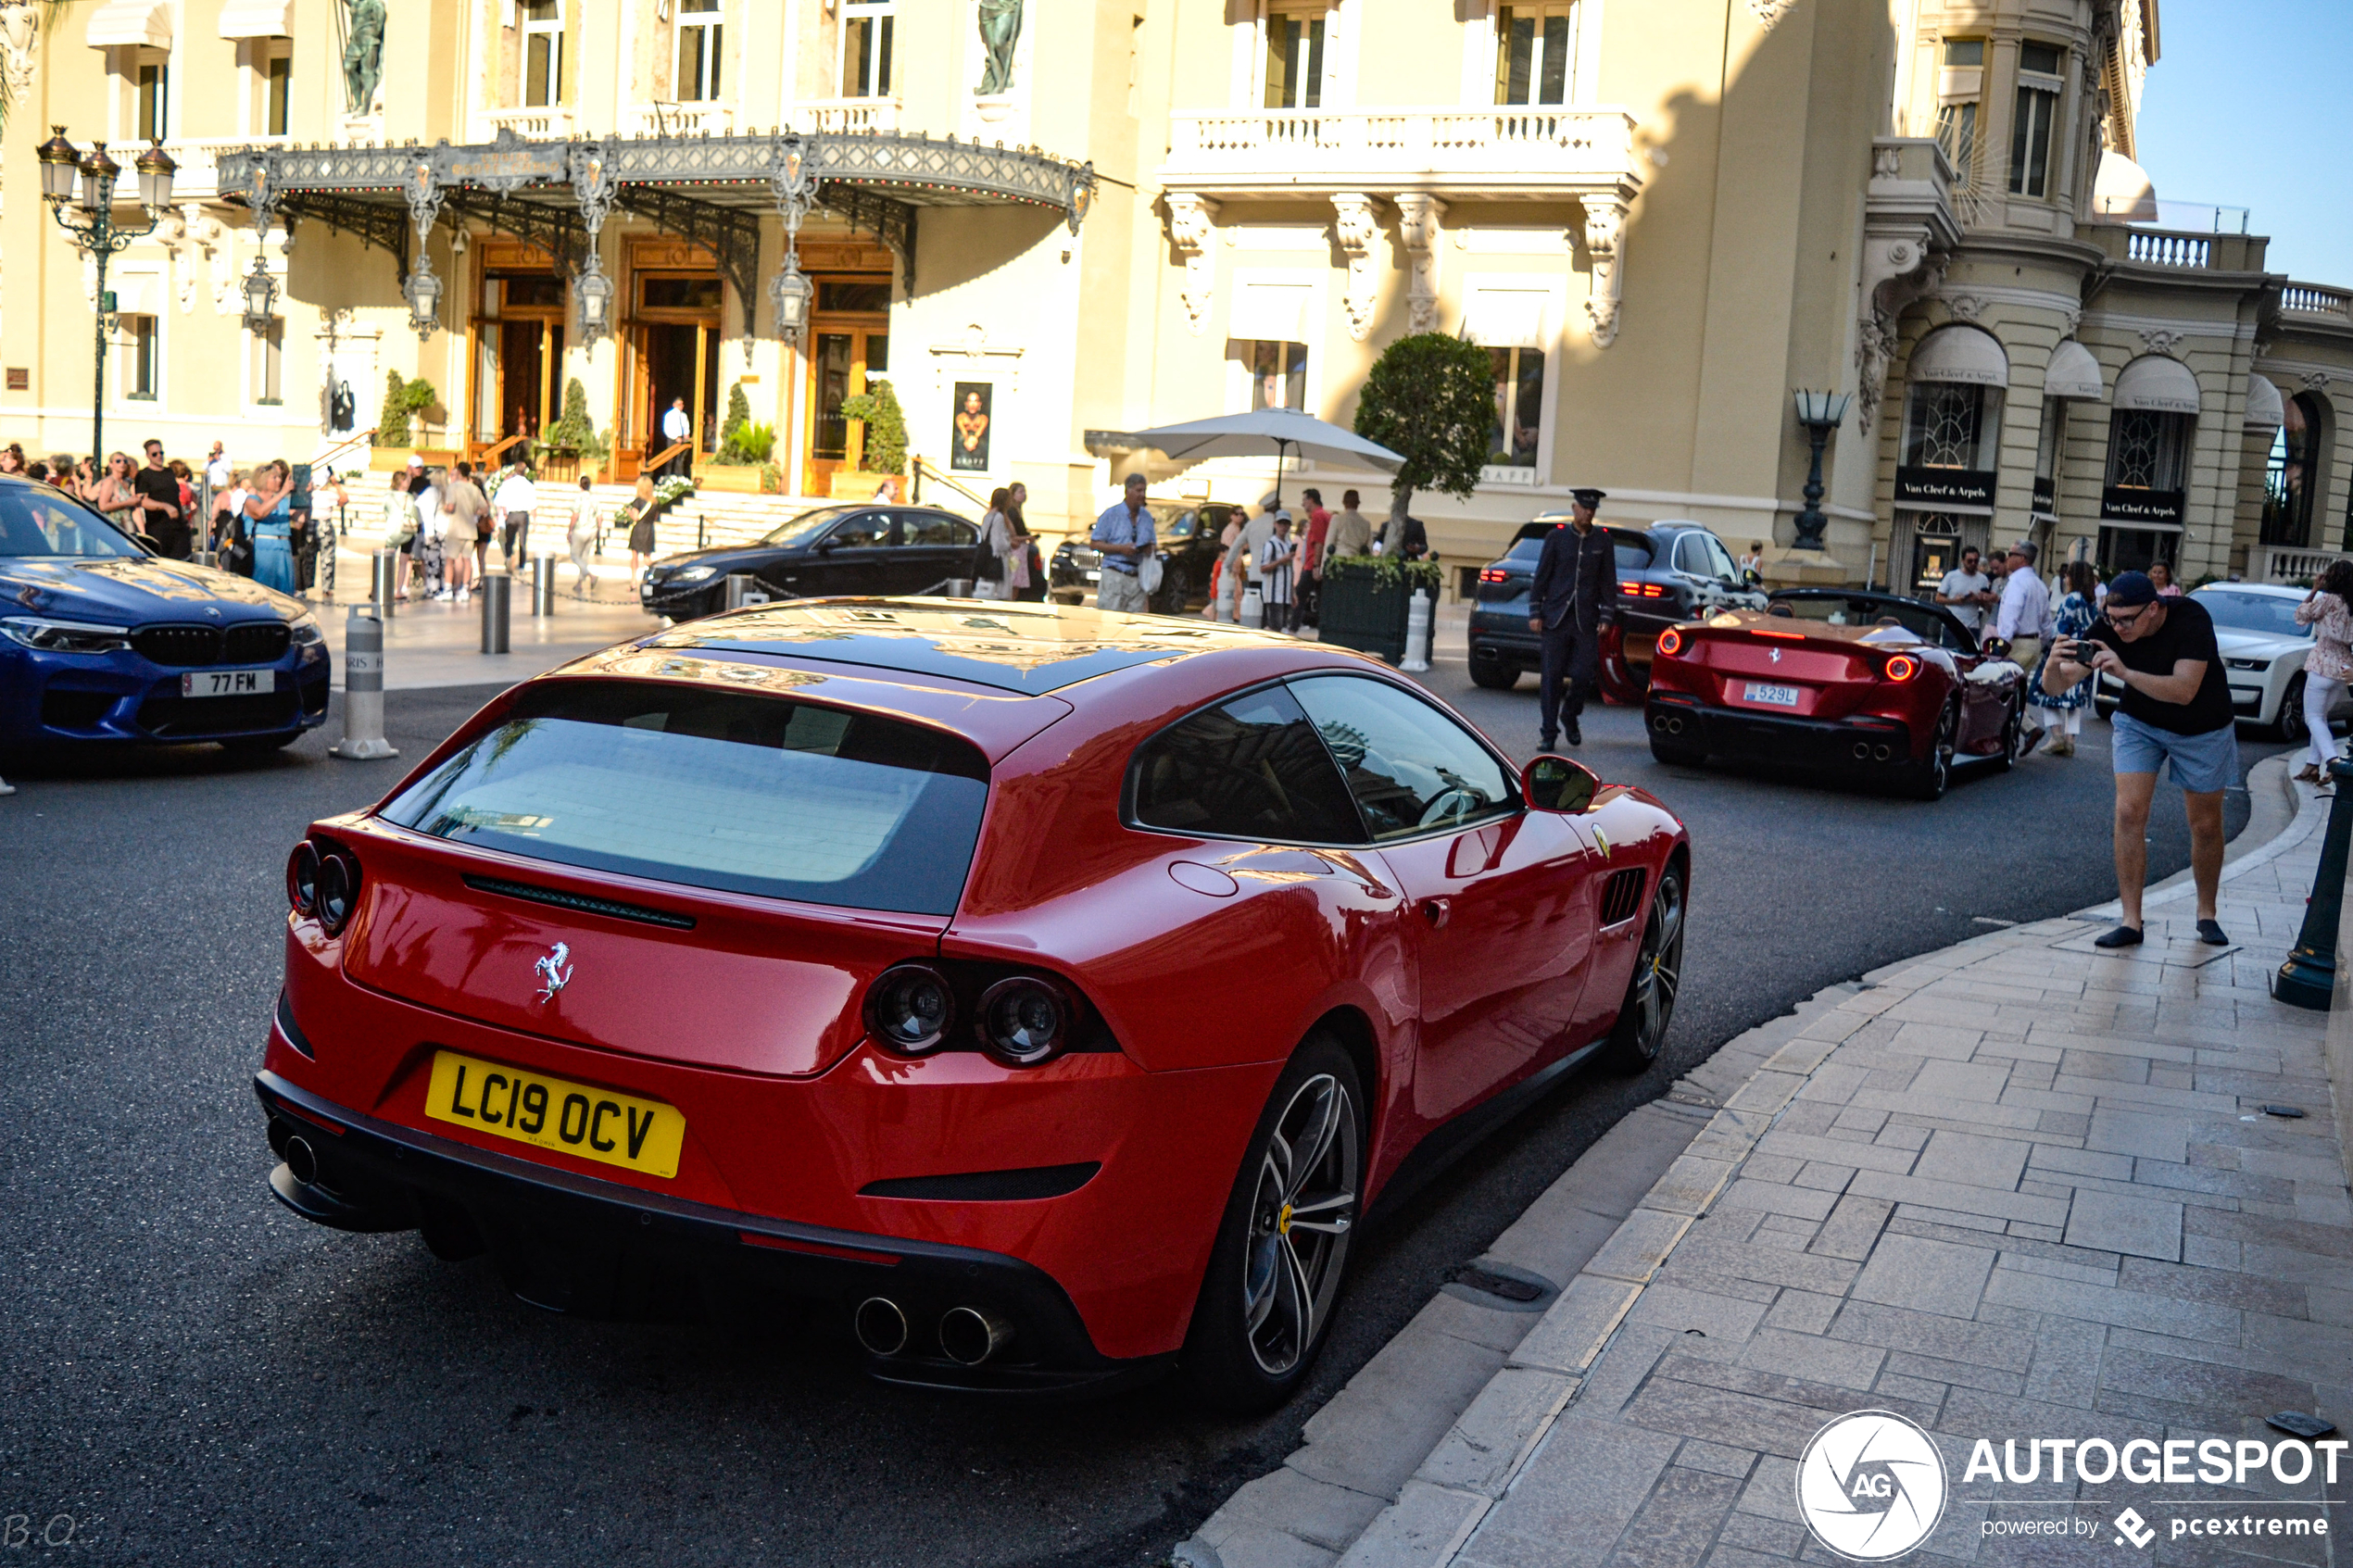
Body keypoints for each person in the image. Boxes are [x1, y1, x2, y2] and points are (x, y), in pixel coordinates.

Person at [2041, 570, 2238, 949]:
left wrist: (2126, 673)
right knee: (2129, 812)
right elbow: (2058, 685)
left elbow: (2184, 690)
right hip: (2140, 723)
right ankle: (2131, 921)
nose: (2118, 628)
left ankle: (2206, 913)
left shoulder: (2191, 619)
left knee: (2205, 823)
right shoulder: (2110, 625)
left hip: (2202, 726)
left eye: (2127, 620)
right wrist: (2052, 665)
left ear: (2153, 608)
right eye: (2112, 619)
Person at [1528, 486, 1616, 749]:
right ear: (1574, 508)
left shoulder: (1602, 540)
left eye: (1592, 509)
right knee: (1551, 676)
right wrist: (1535, 611)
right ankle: (1548, 733)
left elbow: (1608, 581)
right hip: (1555, 617)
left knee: (1582, 675)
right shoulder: (1556, 537)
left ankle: (1570, 715)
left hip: (1585, 619)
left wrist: (1607, 614)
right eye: (1584, 508)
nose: (1588, 513)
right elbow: (1541, 576)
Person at [2028, 560, 2099, 757]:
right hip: (2085, 653)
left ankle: (2056, 736)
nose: (2065, 578)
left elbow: (2060, 627)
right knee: (2074, 699)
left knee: (2049, 691)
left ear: (2073, 578)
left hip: (2066, 650)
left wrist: (2045, 636)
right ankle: (2070, 740)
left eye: (2068, 575)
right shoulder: (2091, 601)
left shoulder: (2072, 599)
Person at [2293, 558, 2353, 784]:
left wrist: (2314, 589)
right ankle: (2311, 765)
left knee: (2313, 717)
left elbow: (2300, 617)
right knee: (2321, 717)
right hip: (2345, 666)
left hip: (2322, 663)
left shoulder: (2328, 600)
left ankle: (2332, 761)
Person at [1091, 472, 1157, 613]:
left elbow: (1153, 544)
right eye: (1138, 490)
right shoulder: (1111, 514)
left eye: (1144, 491)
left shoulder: (1147, 517)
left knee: (1133, 624)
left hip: (1137, 577)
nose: (1142, 495)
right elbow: (1095, 543)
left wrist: (1148, 548)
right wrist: (1120, 548)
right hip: (1115, 574)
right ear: (1127, 491)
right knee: (1110, 620)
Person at [1992, 540, 2053, 673]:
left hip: (2016, 644)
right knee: (2020, 686)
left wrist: (2000, 648)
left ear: (2022, 558)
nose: (2007, 558)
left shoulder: (2017, 583)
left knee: (2005, 686)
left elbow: (2010, 618)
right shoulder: (2040, 584)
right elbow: (2047, 623)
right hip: (2033, 644)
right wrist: (2038, 643)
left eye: (2011, 554)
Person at [242, 461, 298, 593]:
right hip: (264, 548)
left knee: (285, 590)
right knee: (265, 589)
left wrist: (304, 496)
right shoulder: (252, 499)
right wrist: (282, 493)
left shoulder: (283, 501)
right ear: (263, 480)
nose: (279, 480)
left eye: (279, 477)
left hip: (283, 547)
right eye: (274, 477)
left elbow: (299, 521)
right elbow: (259, 513)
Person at [132, 439, 189, 558]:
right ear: (148, 456)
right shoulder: (144, 475)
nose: (159, 456)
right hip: (158, 528)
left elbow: (176, 497)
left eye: (161, 453)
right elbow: (142, 500)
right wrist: (165, 506)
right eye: (154, 454)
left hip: (178, 527)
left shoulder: (169, 472)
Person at [1934, 546, 1996, 636]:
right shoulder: (1952, 576)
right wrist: (1956, 601)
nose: (1973, 563)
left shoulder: (1983, 579)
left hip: (1972, 626)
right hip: (1952, 624)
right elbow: (1938, 598)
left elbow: (1988, 607)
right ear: (1962, 561)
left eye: (1976, 561)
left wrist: (1979, 599)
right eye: (1969, 561)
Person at [493, 461, 537, 568]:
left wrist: (502, 513)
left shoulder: (508, 483)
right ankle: (521, 566)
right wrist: (535, 521)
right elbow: (533, 505)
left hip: (511, 514)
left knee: (509, 539)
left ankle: (508, 557)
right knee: (522, 541)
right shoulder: (529, 485)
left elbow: (499, 501)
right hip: (523, 515)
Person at [1259, 510, 1297, 633]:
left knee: (1282, 627)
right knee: (1275, 627)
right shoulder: (1271, 544)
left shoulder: (1288, 544)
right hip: (1273, 594)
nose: (1283, 527)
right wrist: (1281, 561)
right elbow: (1263, 568)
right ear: (1275, 524)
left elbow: (1291, 570)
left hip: (1285, 594)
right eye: (1281, 523)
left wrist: (1293, 593)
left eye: (1286, 524)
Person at [565, 475, 599, 596]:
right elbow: (599, 516)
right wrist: (598, 530)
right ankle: (579, 583)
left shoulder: (579, 499)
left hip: (580, 530)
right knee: (584, 557)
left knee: (575, 556)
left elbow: (575, 515)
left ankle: (591, 575)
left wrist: (570, 530)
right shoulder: (594, 499)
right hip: (592, 529)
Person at [625, 472, 660, 583]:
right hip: (649, 529)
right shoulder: (654, 502)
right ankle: (654, 576)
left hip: (639, 529)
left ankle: (633, 580)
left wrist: (629, 512)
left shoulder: (638, 501)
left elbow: (636, 517)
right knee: (647, 557)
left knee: (635, 555)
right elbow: (655, 517)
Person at [1326, 489, 1374, 561]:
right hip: (1357, 562)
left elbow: (1329, 544)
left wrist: (1323, 567)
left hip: (1338, 561)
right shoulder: (1366, 524)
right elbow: (1369, 549)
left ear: (1344, 502)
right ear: (1358, 504)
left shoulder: (1336, 520)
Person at [660, 397, 693, 477]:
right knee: (670, 459)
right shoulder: (669, 415)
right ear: (674, 405)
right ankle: (668, 476)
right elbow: (666, 429)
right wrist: (675, 437)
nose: (681, 406)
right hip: (672, 439)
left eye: (682, 404)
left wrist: (686, 434)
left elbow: (686, 426)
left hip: (682, 439)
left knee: (680, 459)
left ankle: (679, 476)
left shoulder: (684, 415)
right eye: (679, 404)